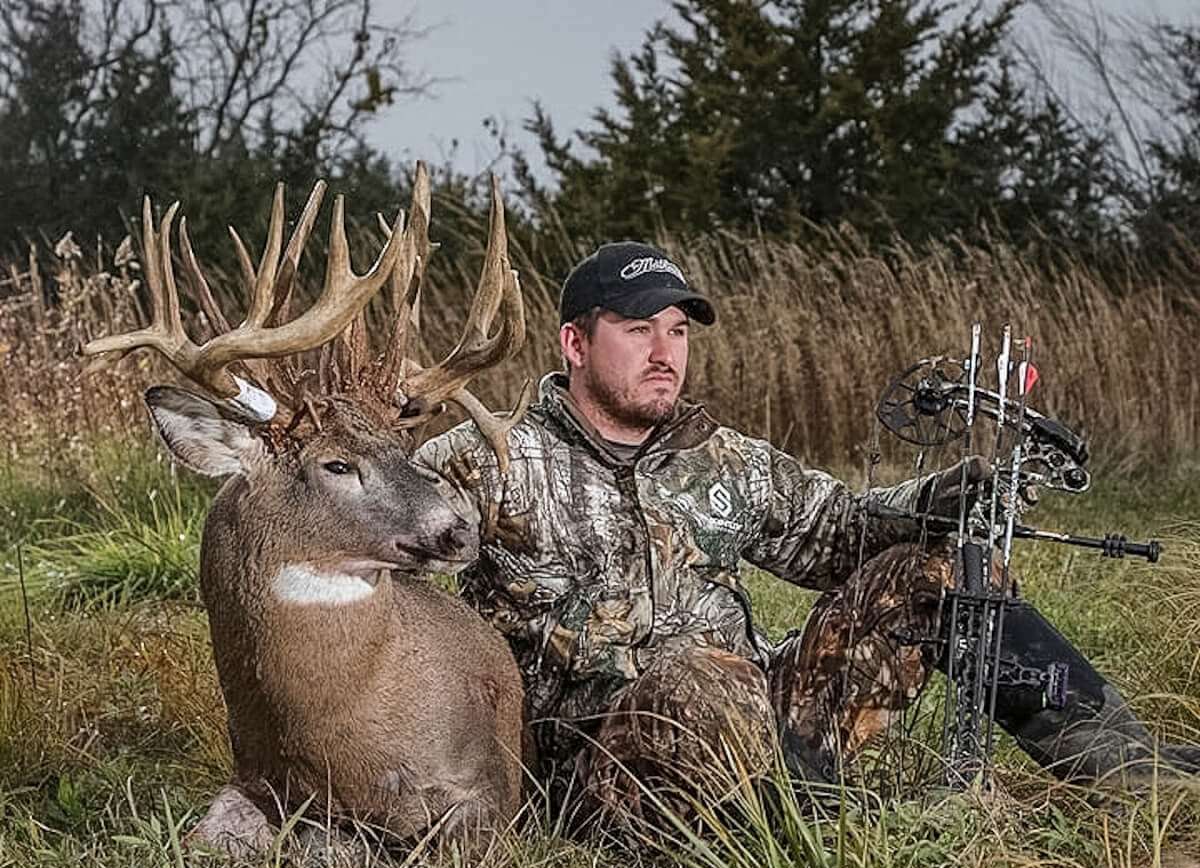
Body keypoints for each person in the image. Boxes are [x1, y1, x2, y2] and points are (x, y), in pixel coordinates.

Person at [415, 241, 1199, 829]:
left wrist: (942, 496)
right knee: (702, 674)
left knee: (940, 574)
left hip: (761, 740)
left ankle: (1131, 773)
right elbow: (383, 587)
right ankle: (822, 829)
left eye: (679, 331)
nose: (665, 353)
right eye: (637, 329)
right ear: (575, 343)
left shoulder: (721, 458)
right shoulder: (485, 458)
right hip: (598, 780)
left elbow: (842, 533)